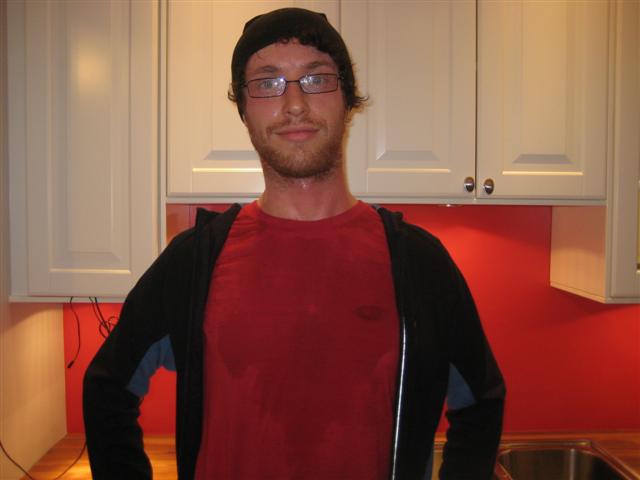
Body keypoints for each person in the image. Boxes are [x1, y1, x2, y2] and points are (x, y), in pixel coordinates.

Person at [83, 8, 505, 480]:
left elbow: (481, 402)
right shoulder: (194, 261)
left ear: (347, 99)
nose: (295, 104)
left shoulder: (419, 264)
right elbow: (107, 387)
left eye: (316, 79)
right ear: (244, 110)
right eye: (268, 83)